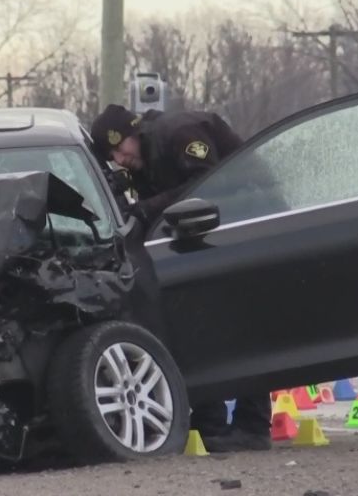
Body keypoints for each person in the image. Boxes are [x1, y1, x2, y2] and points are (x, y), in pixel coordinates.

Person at [90, 103, 273, 452]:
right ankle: (211, 424)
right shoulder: (145, 159)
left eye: (118, 149)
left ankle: (253, 426)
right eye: (112, 156)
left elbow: (210, 185)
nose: (119, 158)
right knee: (201, 324)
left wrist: (147, 207)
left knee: (244, 325)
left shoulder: (179, 134)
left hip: (250, 225)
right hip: (209, 238)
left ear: (131, 134)